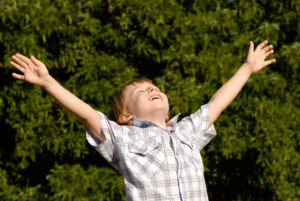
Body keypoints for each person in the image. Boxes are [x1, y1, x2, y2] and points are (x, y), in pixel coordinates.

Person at [10, 40, 276, 201]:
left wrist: (247, 68)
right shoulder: (122, 137)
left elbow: (216, 104)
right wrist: (48, 83)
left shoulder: (186, 132)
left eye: (155, 87)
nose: (152, 90)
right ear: (126, 116)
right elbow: (86, 113)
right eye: (141, 91)